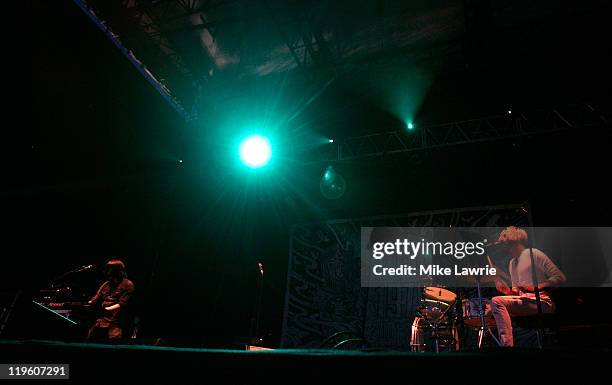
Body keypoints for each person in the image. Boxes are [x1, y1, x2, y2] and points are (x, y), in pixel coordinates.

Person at [491, 226, 566, 347]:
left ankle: (507, 346)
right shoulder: (512, 263)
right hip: (526, 301)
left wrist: (536, 287)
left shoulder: (534, 253)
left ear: (514, 238)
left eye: (504, 238)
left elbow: (560, 277)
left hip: (542, 301)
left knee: (496, 301)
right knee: (491, 306)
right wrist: (506, 291)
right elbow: (516, 293)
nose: (502, 243)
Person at [87, 259, 135, 341]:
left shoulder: (128, 284)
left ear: (117, 270)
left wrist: (104, 310)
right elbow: (95, 299)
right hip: (101, 320)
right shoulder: (106, 284)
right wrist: (84, 304)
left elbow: (121, 304)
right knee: (90, 340)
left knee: (112, 344)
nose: (106, 271)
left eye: (109, 268)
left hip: (115, 323)